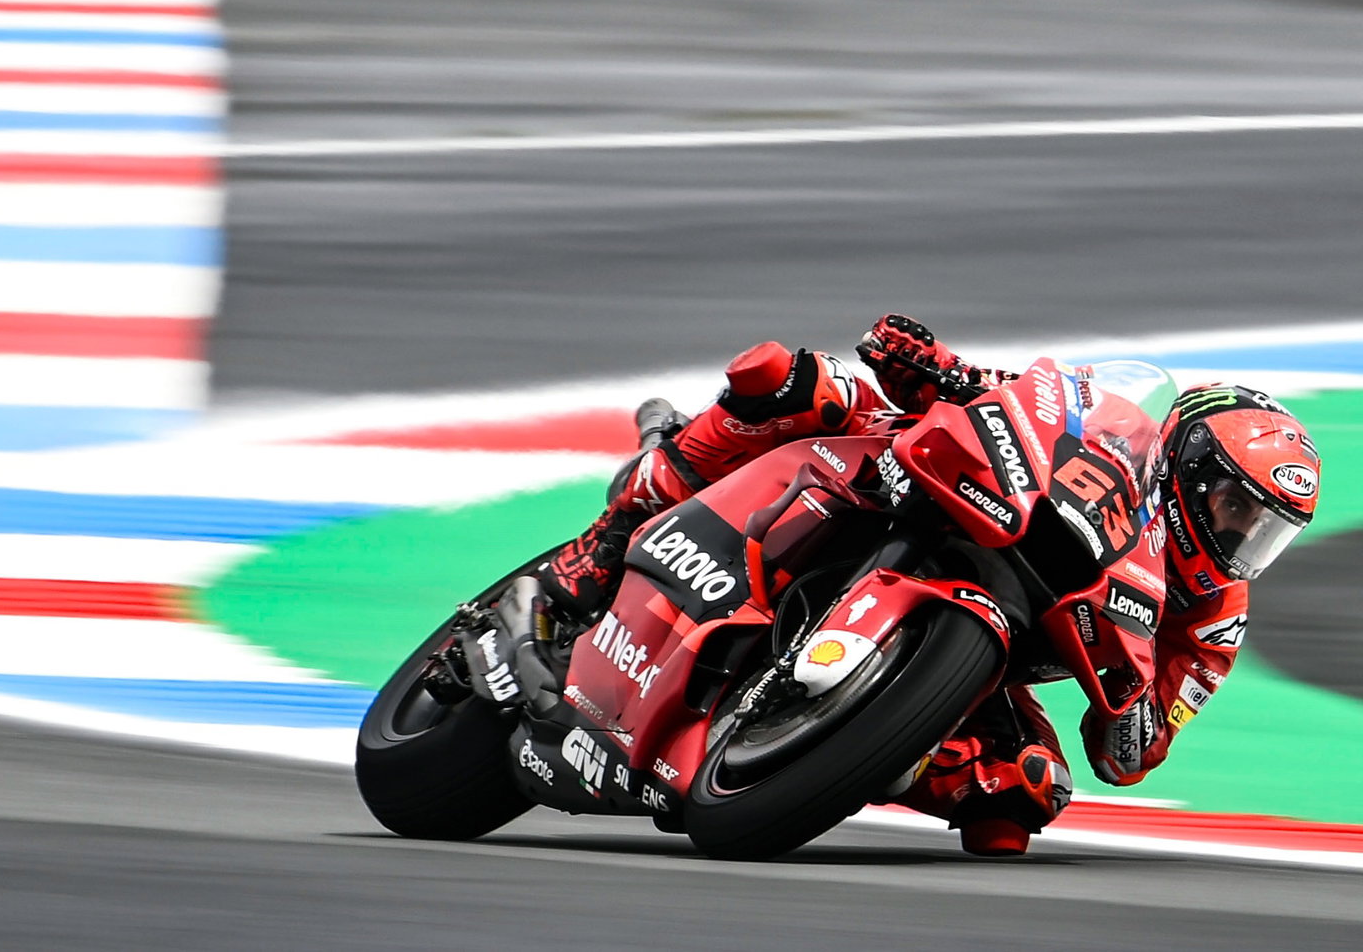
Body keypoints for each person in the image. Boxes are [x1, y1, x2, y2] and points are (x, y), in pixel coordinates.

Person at [535, 314, 1322, 856]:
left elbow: (1131, 754)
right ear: (1186, 465)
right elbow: (1011, 395)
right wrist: (931, 365)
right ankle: (606, 542)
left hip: (998, 650)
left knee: (1024, 797)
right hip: (915, 489)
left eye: (1266, 531)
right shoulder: (1118, 420)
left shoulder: (1216, 620)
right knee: (794, 380)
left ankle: (870, 750)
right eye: (1235, 509)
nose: (1242, 540)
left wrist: (1128, 699)